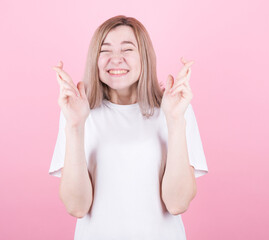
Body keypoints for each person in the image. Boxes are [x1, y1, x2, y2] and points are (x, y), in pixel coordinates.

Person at [49, 15, 208, 240]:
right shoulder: (77, 112)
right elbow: (76, 207)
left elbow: (178, 203)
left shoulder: (174, 109)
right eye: (105, 50)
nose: (116, 59)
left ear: (145, 56)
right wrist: (75, 125)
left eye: (127, 49)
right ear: (95, 58)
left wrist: (174, 120)